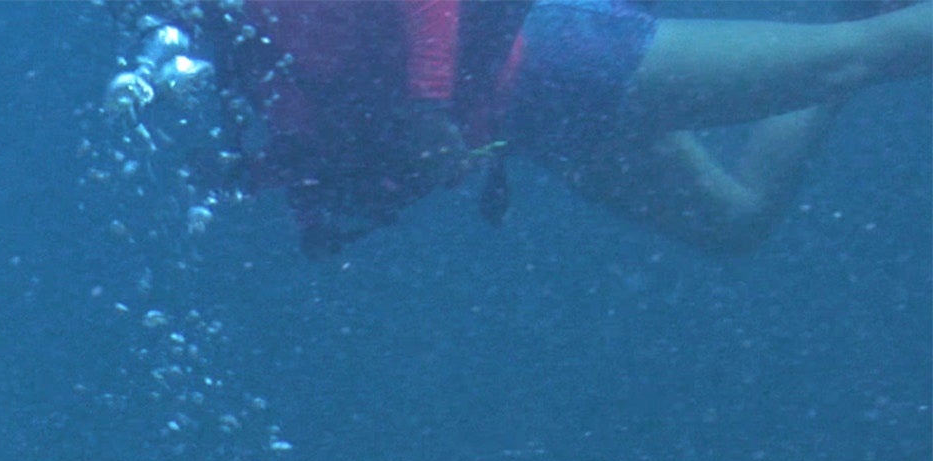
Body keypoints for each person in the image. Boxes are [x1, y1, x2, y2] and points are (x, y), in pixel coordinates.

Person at [230, 0, 933, 254]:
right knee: (735, 220)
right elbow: (309, 93)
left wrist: (426, 106)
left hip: (561, 57)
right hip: (533, 116)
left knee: (852, 61)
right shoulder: (201, 28)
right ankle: (858, 16)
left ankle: (860, 35)